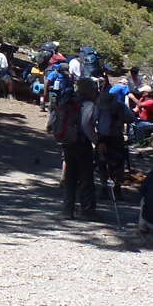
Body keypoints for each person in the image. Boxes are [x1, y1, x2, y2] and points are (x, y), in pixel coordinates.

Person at [50, 76, 97, 219]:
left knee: (70, 177)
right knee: (86, 177)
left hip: (68, 142)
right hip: (82, 143)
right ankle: (87, 211)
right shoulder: (88, 105)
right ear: (89, 90)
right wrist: (96, 141)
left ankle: (67, 210)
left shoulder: (68, 101)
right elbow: (86, 125)